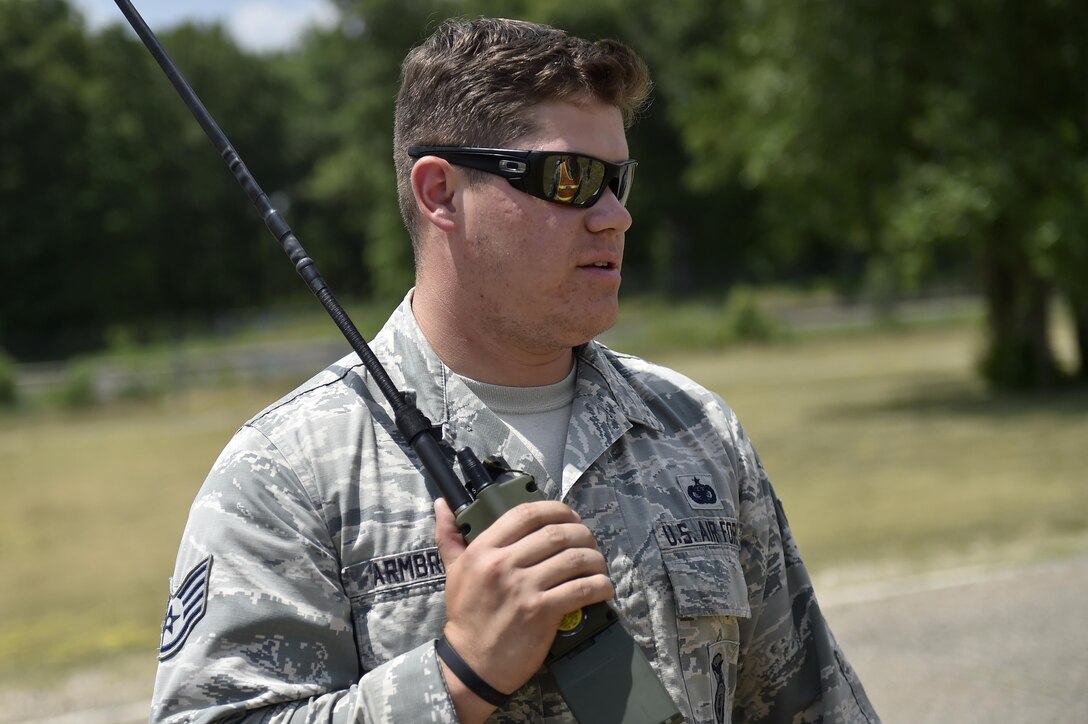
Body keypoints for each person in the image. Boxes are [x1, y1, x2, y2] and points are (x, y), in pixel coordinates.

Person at [150, 16, 879, 724]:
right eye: (571, 177)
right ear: (441, 193)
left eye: (618, 179)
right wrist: (460, 673)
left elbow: (807, 703)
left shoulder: (695, 430)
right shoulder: (292, 472)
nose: (615, 216)